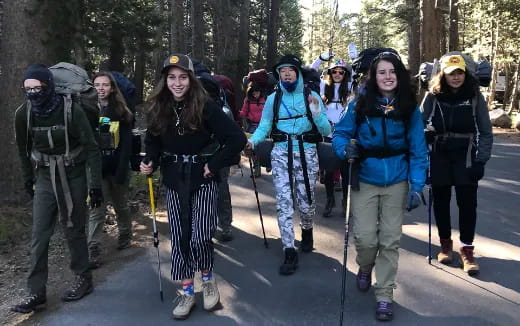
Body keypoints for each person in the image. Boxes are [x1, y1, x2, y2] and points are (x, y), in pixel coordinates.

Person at [140, 54, 246, 320]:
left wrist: (215, 164)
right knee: (180, 236)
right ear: (164, 80)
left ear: (191, 79)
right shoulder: (158, 107)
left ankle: (208, 279)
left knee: (200, 236)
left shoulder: (206, 107)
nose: (177, 83)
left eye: (183, 77)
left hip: (203, 178)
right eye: (172, 77)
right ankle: (187, 291)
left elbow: (235, 139)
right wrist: (149, 161)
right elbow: (152, 140)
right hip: (174, 179)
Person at [332, 52, 428, 321]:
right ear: (374, 77)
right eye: (382, 72)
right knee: (364, 238)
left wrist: (417, 186)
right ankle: (365, 265)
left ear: (399, 75)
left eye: (392, 72)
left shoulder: (410, 107)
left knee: (390, 240)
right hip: (365, 177)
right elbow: (340, 133)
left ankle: (384, 294)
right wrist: (344, 149)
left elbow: (419, 149)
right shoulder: (360, 103)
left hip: (397, 180)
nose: (387, 77)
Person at [11, 64, 103, 313]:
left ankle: (83, 279)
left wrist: (95, 186)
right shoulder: (24, 113)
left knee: (73, 228)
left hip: (73, 174)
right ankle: (36, 292)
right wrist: (27, 180)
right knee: (39, 235)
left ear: (48, 86)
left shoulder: (71, 111)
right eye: (27, 88)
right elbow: (23, 150)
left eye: (37, 87)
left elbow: (91, 147)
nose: (32, 93)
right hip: (43, 177)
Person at [245, 54, 332, 275]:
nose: (286, 74)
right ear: (278, 75)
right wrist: (252, 142)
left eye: (290, 70)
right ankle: (289, 250)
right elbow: (264, 126)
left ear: (298, 73)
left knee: (306, 201)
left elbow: (326, 130)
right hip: (281, 153)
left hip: (307, 153)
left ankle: (307, 228)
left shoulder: (311, 96)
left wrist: (316, 112)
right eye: (282, 71)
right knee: (284, 202)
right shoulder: (273, 99)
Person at [421, 54, 493, 275]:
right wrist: (426, 137)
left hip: (466, 156)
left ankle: (467, 250)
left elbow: (486, 132)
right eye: (451, 73)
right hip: (440, 153)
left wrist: (481, 160)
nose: (456, 77)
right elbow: (418, 125)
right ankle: (445, 246)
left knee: (467, 204)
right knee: (441, 202)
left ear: (465, 73)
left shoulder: (474, 97)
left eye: (459, 72)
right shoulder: (432, 97)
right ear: (443, 74)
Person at [87, 72, 134, 268]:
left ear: (112, 88)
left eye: (104, 85)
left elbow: (126, 142)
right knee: (96, 209)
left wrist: (123, 168)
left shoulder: (121, 111)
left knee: (120, 204)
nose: (100, 88)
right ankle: (94, 248)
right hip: (96, 168)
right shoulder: (87, 110)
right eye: (97, 85)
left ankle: (125, 233)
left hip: (117, 166)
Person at [312, 53, 353, 217]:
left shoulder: (349, 87)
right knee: (329, 170)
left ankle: (345, 200)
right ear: (330, 73)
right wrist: (321, 59)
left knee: (345, 170)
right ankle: (330, 200)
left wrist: (354, 56)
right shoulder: (323, 86)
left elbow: (358, 74)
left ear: (345, 75)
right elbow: (310, 71)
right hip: (327, 133)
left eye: (341, 72)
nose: (337, 74)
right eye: (334, 71)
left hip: (344, 134)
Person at [239, 81, 267, 177]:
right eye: (253, 93)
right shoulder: (248, 100)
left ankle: (267, 161)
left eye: (257, 92)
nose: (255, 94)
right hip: (252, 126)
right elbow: (244, 111)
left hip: (265, 126)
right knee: (252, 147)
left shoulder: (266, 99)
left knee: (265, 145)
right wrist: (237, 115)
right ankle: (256, 168)